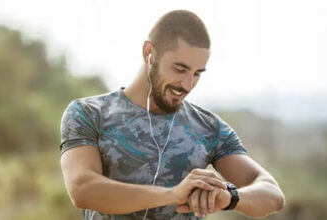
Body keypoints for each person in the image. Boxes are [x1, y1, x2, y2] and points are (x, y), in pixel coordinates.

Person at [59, 10, 285, 220]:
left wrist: (230, 197)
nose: (188, 84)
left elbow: (273, 194)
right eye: (180, 69)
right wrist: (173, 194)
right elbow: (82, 188)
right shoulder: (88, 114)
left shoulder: (209, 127)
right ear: (149, 53)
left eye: (197, 74)